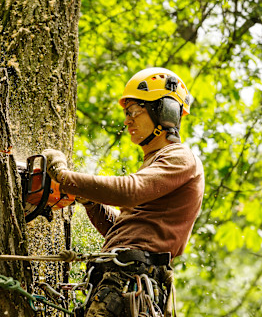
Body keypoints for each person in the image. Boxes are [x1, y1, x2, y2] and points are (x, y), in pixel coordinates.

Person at [42, 67, 205, 317]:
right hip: (119, 280)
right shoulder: (155, 162)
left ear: (164, 112)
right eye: (125, 113)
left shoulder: (180, 157)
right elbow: (123, 230)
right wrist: (90, 202)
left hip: (131, 281)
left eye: (133, 111)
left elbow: (129, 191)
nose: (127, 120)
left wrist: (65, 178)